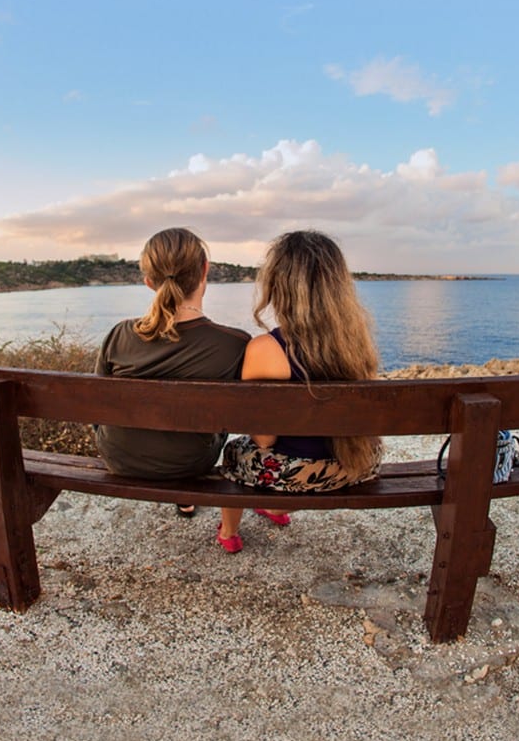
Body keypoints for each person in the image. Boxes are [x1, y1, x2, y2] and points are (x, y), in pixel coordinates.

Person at [217, 230, 382, 552]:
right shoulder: (358, 342)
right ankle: (274, 509)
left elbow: (264, 440)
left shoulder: (266, 349)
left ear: (279, 286)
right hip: (358, 466)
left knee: (234, 451)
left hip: (299, 475)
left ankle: (229, 532)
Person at [95, 227, 249, 515]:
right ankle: (185, 494)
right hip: (190, 464)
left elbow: (96, 407)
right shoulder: (234, 344)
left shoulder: (119, 334)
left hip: (120, 459)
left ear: (148, 281)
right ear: (205, 270)